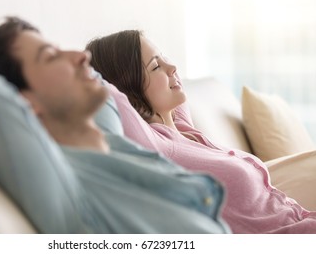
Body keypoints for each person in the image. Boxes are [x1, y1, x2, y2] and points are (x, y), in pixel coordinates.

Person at [0, 17, 230, 234]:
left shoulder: (112, 142)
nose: (82, 56)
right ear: (23, 102)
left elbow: (97, 79)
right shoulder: (62, 185)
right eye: (51, 57)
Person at [86, 30, 316, 233]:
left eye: (164, 58)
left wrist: (156, 63)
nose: (172, 67)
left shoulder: (182, 128)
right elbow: (106, 91)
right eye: (156, 66)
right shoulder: (158, 146)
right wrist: (83, 64)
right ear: (128, 88)